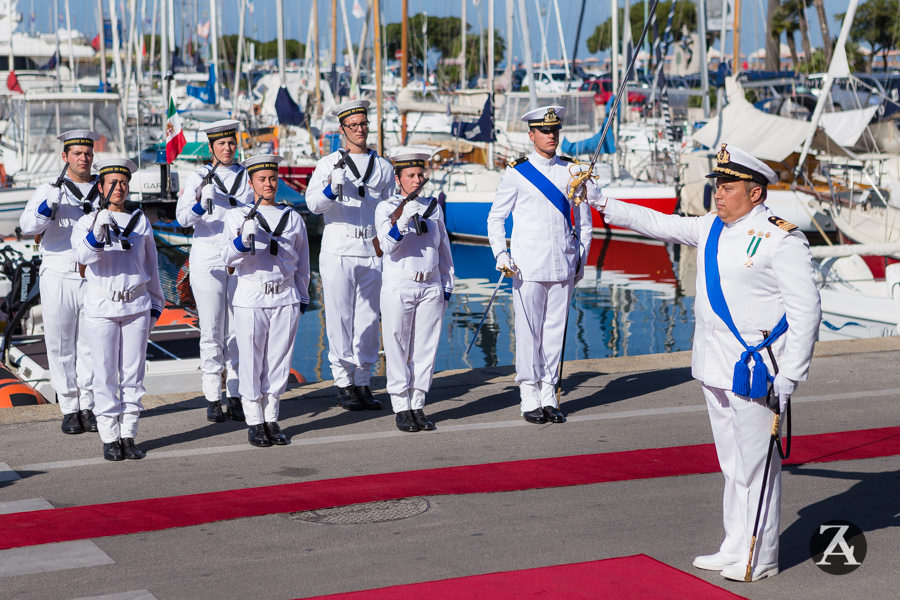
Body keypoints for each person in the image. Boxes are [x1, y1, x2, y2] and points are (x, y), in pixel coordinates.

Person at [589, 143, 820, 581]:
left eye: (729, 186)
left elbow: (807, 309)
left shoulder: (780, 237)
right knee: (731, 463)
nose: (719, 193)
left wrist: (792, 373)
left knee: (757, 465)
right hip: (714, 363)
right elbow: (660, 223)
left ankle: (762, 554)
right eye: (717, 185)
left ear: (755, 193)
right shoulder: (713, 226)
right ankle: (733, 544)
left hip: (756, 369)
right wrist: (604, 202)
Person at [486, 106, 594, 425]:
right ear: (531, 135)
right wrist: (500, 255)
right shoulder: (517, 172)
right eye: (545, 131)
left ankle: (549, 394)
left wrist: (581, 259)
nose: (551, 135)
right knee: (528, 334)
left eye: (555, 130)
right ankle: (529, 395)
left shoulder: (573, 171)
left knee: (554, 333)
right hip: (527, 266)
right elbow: (496, 218)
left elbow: (585, 224)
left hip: (563, 264)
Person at [72, 158, 165, 461]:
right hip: (102, 305)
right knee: (105, 373)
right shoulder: (87, 222)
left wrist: (156, 303)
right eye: (111, 183)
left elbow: (151, 264)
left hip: (136, 304)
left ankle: (129, 434)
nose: (118, 188)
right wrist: (98, 232)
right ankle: (109, 435)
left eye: (123, 183)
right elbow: (83, 257)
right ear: (100, 187)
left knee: (133, 373)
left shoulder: (140, 221)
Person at [307, 100, 395, 412]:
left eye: (363, 124)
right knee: (340, 316)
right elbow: (313, 204)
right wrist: (331, 190)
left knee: (369, 318)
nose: (360, 130)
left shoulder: (383, 166)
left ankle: (363, 379)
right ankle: (342, 380)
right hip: (338, 246)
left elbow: (388, 209)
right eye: (353, 126)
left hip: (370, 246)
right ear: (342, 129)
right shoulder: (328, 164)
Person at [221, 154, 310, 448]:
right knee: (251, 360)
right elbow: (227, 260)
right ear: (251, 183)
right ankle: (254, 421)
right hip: (251, 295)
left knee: (279, 361)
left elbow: (303, 264)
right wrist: (241, 243)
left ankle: (271, 417)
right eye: (262, 179)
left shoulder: (293, 218)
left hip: (284, 295)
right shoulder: (237, 217)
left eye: (272, 178)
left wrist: (302, 296)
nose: (268, 184)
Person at [19, 130, 99, 435]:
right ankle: (69, 406)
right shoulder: (50, 188)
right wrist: (45, 209)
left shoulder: (102, 189)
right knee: (61, 343)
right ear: (65, 157)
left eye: (87, 153)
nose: (83, 158)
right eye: (77, 153)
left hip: (91, 273)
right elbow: (27, 227)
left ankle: (88, 404)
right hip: (57, 273)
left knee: (91, 343)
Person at [175, 120, 253, 423]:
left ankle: (234, 393)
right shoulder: (197, 176)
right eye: (221, 144)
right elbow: (182, 218)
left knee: (237, 330)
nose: (227, 148)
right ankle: (212, 396)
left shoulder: (246, 176)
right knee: (211, 330)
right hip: (208, 259)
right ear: (211, 148)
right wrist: (198, 206)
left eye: (231, 143)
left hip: (238, 259)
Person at [375, 147, 453, 433]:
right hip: (400, 284)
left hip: (430, 283)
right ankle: (400, 405)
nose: (417, 180)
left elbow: (443, 249)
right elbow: (386, 246)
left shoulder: (433, 206)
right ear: (399, 179)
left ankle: (417, 403)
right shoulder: (386, 208)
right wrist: (403, 219)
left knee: (425, 347)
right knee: (397, 345)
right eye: (411, 175)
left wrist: (447, 283)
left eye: (421, 174)